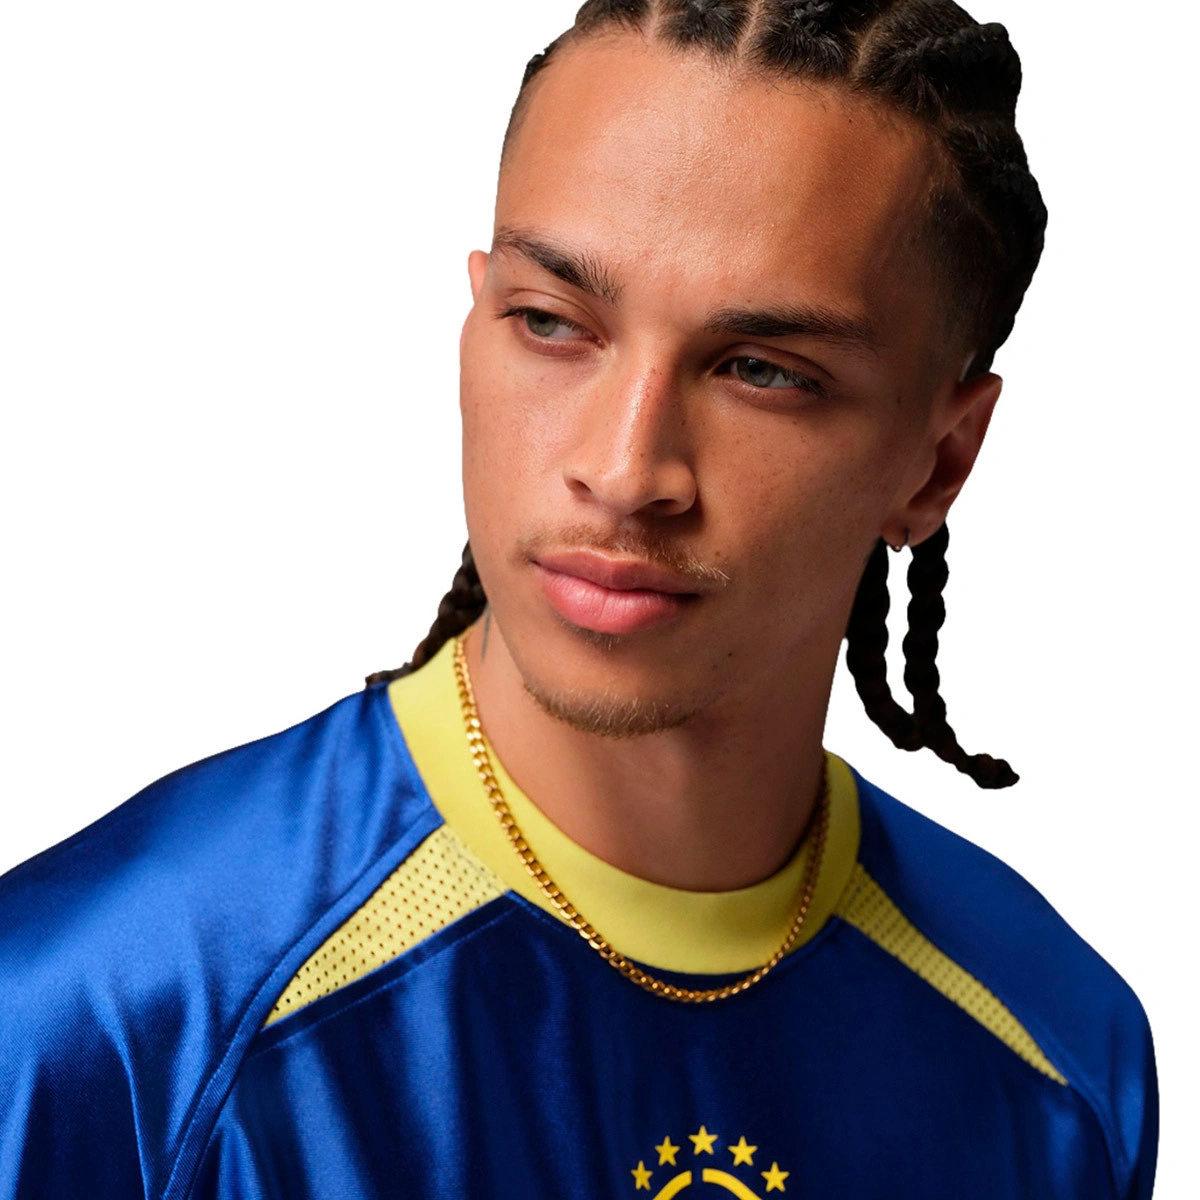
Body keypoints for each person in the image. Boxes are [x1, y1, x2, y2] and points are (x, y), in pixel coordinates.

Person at [0, 0, 1158, 1196]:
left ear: (939, 463)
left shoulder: (1059, 1050)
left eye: (763, 371)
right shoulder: (92, 1028)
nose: (624, 467)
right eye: (552, 322)